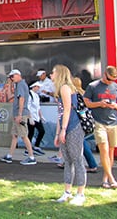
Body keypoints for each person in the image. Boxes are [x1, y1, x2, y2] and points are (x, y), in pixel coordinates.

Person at [50, 64, 86, 205]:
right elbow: (61, 114)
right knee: (67, 161)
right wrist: (58, 132)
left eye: (53, 73)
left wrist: (63, 130)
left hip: (74, 127)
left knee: (77, 159)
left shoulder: (65, 88)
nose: (51, 75)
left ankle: (80, 193)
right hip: (67, 127)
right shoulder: (61, 89)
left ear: (59, 73)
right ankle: (67, 191)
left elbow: (67, 111)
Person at [83, 65, 117, 189]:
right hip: (98, 122)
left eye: (113, 80)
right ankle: (112, 178)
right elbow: (86, 102)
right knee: (104, 149)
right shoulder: (93, 86)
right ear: (104, 74)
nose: (110, 82)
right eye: (109, 79)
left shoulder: (115, 87)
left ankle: (106, 178)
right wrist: (99, 104)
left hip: (113, 122)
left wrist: (113, 106)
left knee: (111, 151)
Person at [0, 69, 37, 165]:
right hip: (19, 113)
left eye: (12, 77)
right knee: (15, 135)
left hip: (20, 114)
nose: (11, 79)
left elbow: (21, 99)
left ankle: (31, 156)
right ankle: (9, 156)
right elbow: (12, 97)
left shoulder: (20, 85)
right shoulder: (20, 85)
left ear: (17, 75)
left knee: (24, 135)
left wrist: (20, 114)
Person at [72, 77, 98, 173]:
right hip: (87, 121)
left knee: (80, 143)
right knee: (80, 142)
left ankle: (92, 164)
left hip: (78, 122)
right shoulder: (84, 93)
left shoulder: (75, 95)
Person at [27, 82, 46, 156]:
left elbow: (38, 107)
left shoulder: (37, 96)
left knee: (42, 131)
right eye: (37, 87)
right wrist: (30, 118)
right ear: (34, 86)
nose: (38, 88)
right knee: (30, 133)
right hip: (31, 117)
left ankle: (36, 146)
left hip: (37, 117)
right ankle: (28, 149)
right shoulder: (29, 95)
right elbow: (28, 107)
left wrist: (41, 116)